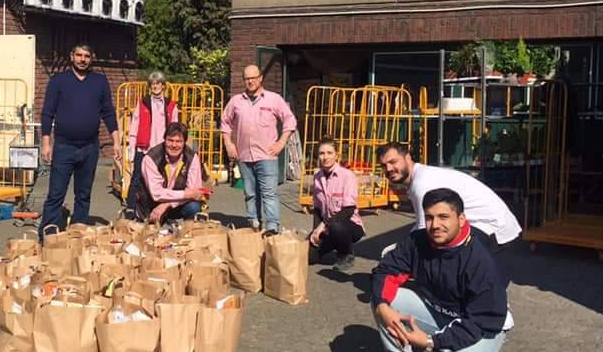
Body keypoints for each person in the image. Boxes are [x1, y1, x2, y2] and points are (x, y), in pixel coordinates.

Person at [371, 188, 511, 352]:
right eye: (429, 217)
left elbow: (483, 320)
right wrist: (382, 307)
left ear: (461, 219)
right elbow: (386, 271)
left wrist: (431, 342)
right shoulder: (418, 241)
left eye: (443, 217)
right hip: (440, 312)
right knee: (384, 298)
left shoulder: (480, 260)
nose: (435, 224)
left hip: (482, 325)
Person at [375, 142, 522, 261]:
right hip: (492, 228)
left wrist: (397, 251)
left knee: (436, 248)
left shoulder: (421, 183)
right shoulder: (419, 177)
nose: (388, 169)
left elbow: (423, 231)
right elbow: (421, 226)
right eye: (383, 166)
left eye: (393, 162)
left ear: (407, 158)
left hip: (494, 231)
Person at [40, 43, 120, 237]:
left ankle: (78, 234)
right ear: (72, 56)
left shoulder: (99, 82)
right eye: (79, 55)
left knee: (83, 195)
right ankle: (47, 237)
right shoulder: (59, 81)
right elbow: (47, 113)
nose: (82, 59)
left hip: (90, 147)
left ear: (91, 58)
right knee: (56, 194)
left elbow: (108, 112)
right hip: (64, 147)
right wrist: (46, 143)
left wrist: (116, 140)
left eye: (86, 56)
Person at [221, 64, 297, 236]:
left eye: (254, 77)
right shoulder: (236, 101)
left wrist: (281, 143)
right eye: (247, 78)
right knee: (250, 193)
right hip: (244, 155)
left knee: (269, 194)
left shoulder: (273, 99)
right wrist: (229, 144)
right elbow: (225, 122)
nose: (250, 81)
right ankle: (253, 224)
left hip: (267, 155)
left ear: (261, 78)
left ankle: (271, 228)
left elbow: (290, 120)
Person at [126, 71, 179, 215]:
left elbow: (175, 128)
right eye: (153, 84)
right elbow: (134, 124)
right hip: (143, 148)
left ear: (163, 86)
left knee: (162, 180)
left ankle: (161, 211)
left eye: (158, 84)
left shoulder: (171, 105)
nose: (155, 86)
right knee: (137, 178)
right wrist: (131, 147)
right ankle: (130, 208)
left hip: (161, 149)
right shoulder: (142, 102)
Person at [309, 137, 365, 271]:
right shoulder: (317, 178)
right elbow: (317, 209)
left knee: (336, 227)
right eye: (322, 153)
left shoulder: (347, 176)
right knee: (309, 256)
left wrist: (323, 225)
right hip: (328, 227)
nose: (325, 157)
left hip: (348, 226)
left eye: (329, 153)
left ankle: (346, 254)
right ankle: (333, 244)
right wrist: (315, 232)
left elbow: (348, 210)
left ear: (336, 155)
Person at [135, 122, 207, 226]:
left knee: (194, 206)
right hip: (151, 204)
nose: (174, 145)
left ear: (184, 143)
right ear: (164, 140)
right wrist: (185, 194)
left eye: (178, 141)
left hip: (177, 204)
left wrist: (167, 204)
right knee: (150, 238)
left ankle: (188, 234)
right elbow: (157, 194)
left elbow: (194, 193)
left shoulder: (192, 158)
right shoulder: (150, 159)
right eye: (170, 140)